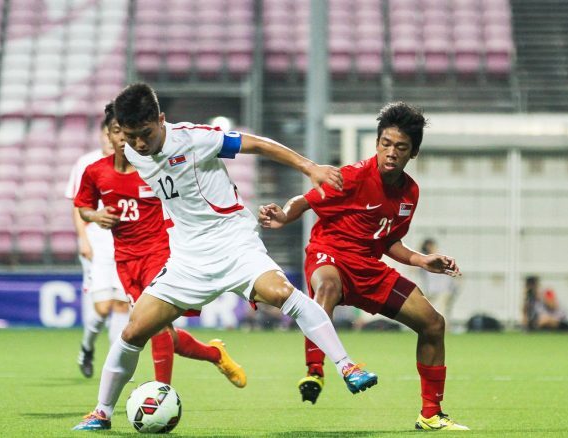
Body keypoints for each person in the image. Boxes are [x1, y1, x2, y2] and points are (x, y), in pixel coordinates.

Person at [72, 83, 377, 431]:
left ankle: (347, 366)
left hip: (232, 242)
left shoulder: (193, 139)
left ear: (161, 119)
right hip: (188, 257)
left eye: (145, 133)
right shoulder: (134, 152)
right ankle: (102, 412)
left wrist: (310, 168)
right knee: (133, 332)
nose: (139, 144)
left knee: (282, 294)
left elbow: (257, 144)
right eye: (130, 136)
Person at [259, 102, 469, 431]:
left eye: (400, 147)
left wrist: (422, 260)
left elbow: (388, 243)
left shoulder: (409, 193)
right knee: (326, 287)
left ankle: (430, 414)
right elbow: (303, 201)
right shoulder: (353, 176)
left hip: (369, 269)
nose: (391, 153)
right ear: (376, 144)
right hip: (329, 253)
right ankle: (315, 370)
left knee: (433, 324)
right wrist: (284, 216)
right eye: (385, 144)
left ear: (412, 153)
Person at [74, 102, 246, 388]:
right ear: (108, 135)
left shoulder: (153, 165)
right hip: (126, 260)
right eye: (115, 132)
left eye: (124, 132)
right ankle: (215, 354)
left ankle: (161, 393)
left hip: (162, 252)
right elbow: (83, 206)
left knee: (160, 327)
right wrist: (95, 215)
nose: (120, 139)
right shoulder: (95, 172)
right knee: (152, 330)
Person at [65, 118, 130, 378]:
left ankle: (116, 364)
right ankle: (87, 347)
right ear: (102, 135)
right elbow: (77, 205)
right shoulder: (86, 163)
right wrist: (83, 237)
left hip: (124, 243)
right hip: (97, 245)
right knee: (102, 309)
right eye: (107, 134)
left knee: (122, 306)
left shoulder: (132, 163)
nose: (110, 139)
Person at [418, 238, 459, 327]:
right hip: (432, 290)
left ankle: (444, 329)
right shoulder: (424, 258)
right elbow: (412, 269)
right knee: (429, 310)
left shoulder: (440, 257)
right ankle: (429, 327)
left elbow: (451, 273)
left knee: (442, 310)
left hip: (444, 289)